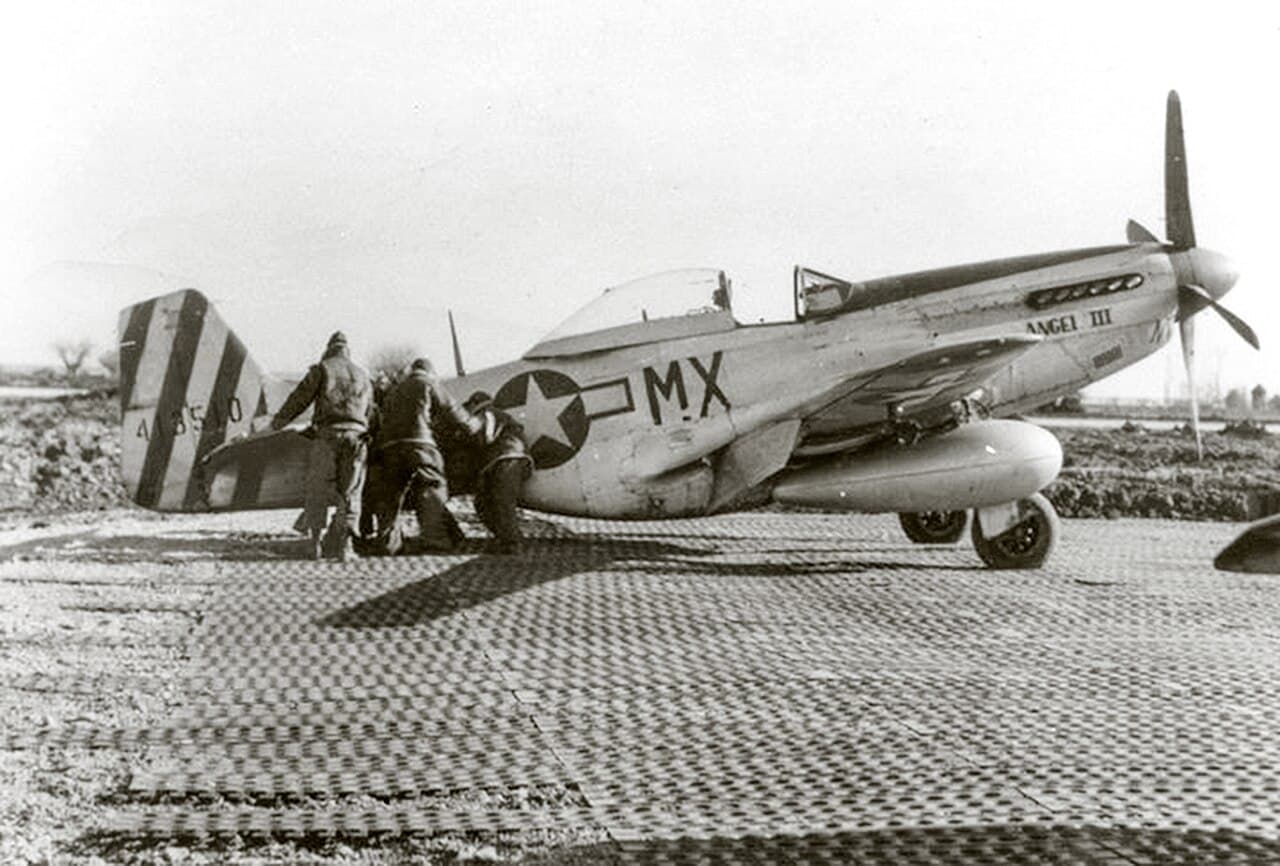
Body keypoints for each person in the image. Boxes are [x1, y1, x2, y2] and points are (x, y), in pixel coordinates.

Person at [271, 331, 374, 562]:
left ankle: (314, 545)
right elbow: (370, 411)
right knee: (350, 494)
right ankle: (345, 549)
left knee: (318, 489)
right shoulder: (363, 375)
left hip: (327, 437)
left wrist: (277, 423)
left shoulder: (322, 369)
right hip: (357, 439)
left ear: (329, 348)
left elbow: (299, 398)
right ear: (348, 350)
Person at [366, 358, 482, 552]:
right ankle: (434, 539)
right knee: (431, 488)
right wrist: (474, 424)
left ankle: (389, 544)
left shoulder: (394, 391)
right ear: (429, 371)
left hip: (390, 448)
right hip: (420, 445)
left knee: (391, 495)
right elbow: (452, 411)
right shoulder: (428, 383)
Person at [463, 391, 533, 554]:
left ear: (475, 404)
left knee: (502, 501)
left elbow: (475, 430)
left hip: (506, 459)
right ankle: (505, 538)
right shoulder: (501, 415)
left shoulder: (487, 412)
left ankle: (511, 544)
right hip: (515, 459)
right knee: (483, 502)